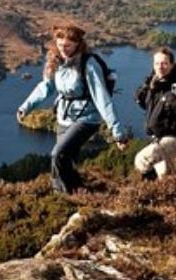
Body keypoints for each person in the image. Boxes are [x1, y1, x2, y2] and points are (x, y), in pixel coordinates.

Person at [16, 23, 129, 193]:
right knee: (67, 162)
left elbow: (102, 98)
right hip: (64, 117)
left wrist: (117, 132)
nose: (64, 49)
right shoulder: (56, 61)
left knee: (57, 155)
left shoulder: (88, 64)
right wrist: (25, 107)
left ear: (78, 44)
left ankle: (62, 196)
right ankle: (80, 194)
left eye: (68, 45)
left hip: (87, 118)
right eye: (60, 45)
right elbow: (46, 87)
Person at [134, 47, 176, 180]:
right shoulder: (154, 83)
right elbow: (148, 107)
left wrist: (174, 101)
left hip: (175, 136)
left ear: (172, 64)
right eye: (157, 63)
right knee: (165, 176)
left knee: (142, 160)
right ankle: (175, 197)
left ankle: (147, 194)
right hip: (157, 136)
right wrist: (141, 94)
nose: (160, 67)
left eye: (164, 63)